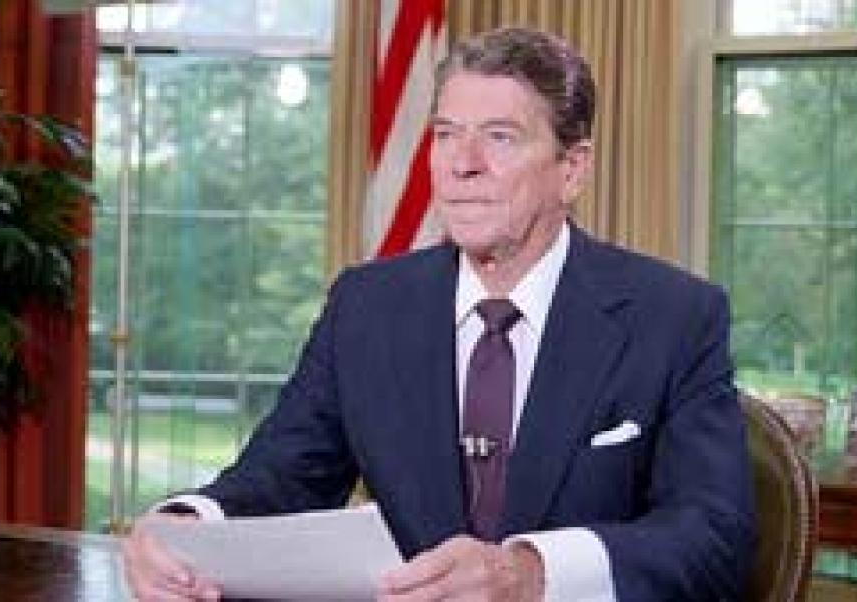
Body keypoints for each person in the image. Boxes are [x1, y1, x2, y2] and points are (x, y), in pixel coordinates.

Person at [123, 27, 756, 601]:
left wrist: (533, 573)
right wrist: (186, 528)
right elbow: (280, 479)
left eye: (499, 137)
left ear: (572, 168)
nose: (460, 163)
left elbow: (714, 540)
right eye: (446, 134)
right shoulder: (366, 307)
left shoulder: (674, 316)